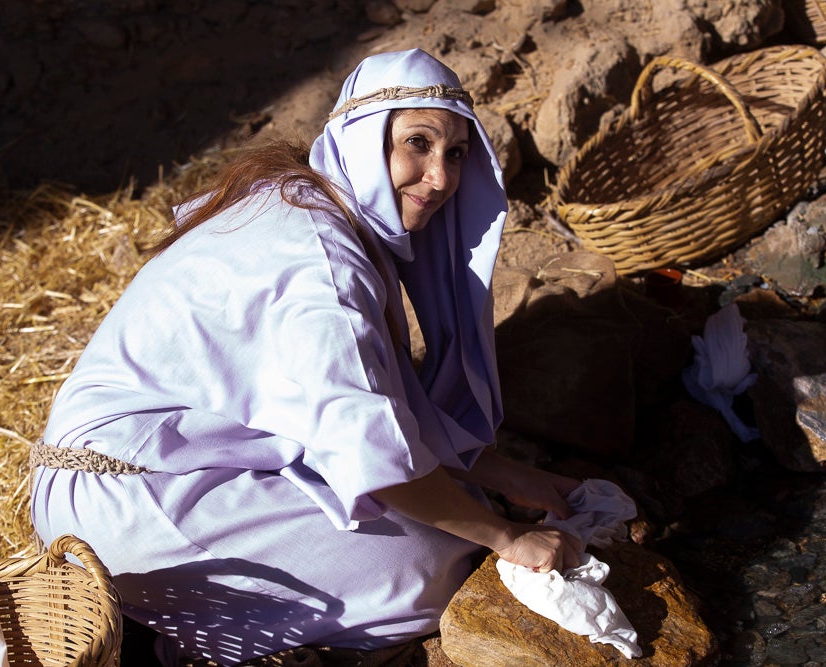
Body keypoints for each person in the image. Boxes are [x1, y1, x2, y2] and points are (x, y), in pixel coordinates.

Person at [30, 48, 583, 666]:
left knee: (458, 517)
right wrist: (507, 536)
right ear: (364, 140)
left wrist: (496, 472)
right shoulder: (322, 264)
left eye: (456, 153)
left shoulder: (306, 199)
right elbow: (376, 456)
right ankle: (159, 638)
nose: (442, 177)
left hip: (161, 469)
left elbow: (368, 406)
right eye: (418, 144)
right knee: (435, 568)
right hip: (124, 511)